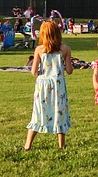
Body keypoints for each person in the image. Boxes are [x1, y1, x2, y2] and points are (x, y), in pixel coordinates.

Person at [24, 21, 74, 150]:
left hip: (43, 86)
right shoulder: (65, 49)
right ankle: (61, 145)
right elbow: (69, 70)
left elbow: (34, 71)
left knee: (38, 112)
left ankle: (28, 145)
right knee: (60, 111)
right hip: (58, 85)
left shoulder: (39, 50)